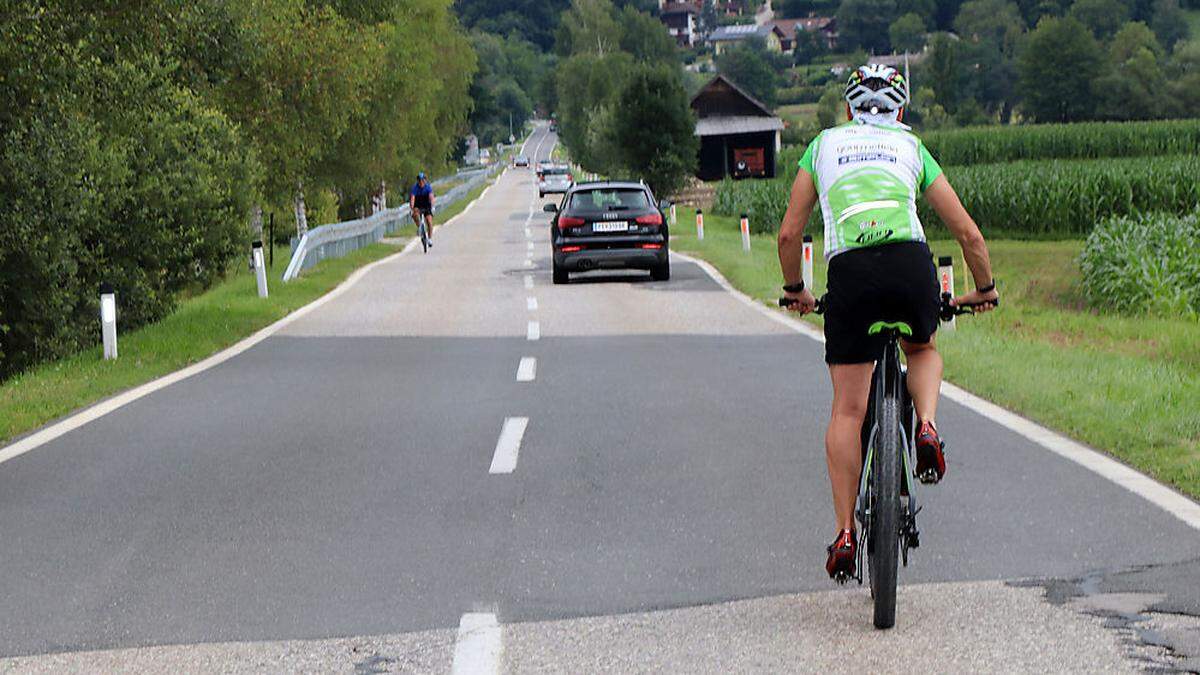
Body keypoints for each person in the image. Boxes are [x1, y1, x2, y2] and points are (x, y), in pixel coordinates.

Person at [775, 64, 1000, 581]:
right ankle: (925, 425)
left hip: (850, 273)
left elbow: (790, 235)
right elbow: (967, 233)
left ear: (847, 109)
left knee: (849, 411)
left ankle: (846, 532)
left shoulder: (823, 147)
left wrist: (796, 291)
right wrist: (983, 289)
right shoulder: (912, 147)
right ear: (901, 110)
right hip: (908, 266)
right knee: (921, 348)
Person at [409, 172, 435, 246]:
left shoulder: (428, 187)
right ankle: (419, 227)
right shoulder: (415, 188)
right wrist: (411, 208)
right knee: (415, 214)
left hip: (426, 205)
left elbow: (431, 197)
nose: (421, 182)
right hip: (418, 205)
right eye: (419, 180)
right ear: (417, 181)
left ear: (425, 180)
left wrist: (432, 206)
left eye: (422, 180)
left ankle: (429, 239)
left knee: (429, 222)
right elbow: (412, 199)